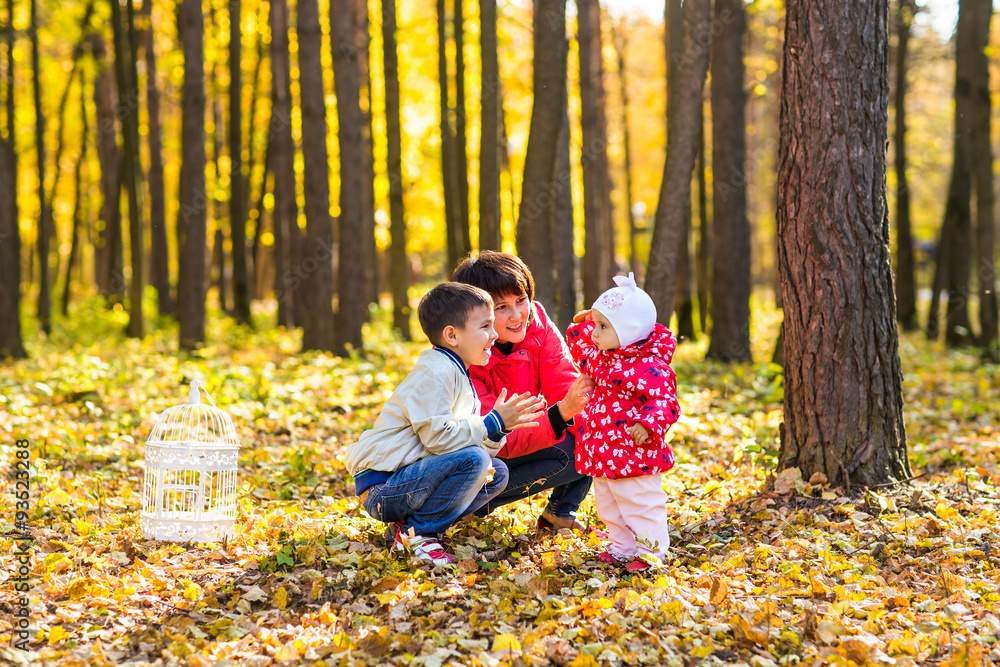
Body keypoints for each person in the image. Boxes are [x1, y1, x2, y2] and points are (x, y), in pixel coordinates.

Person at [345, 282, 545, 565]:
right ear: (451, 335)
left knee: (495, 472)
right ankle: (422, 535)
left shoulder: (457, 372)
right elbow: (438, 439)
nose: (493, 334)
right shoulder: (436, 372)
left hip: (410, 480)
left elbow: (466, 447)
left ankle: (408, 529)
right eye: (485, 326)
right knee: (476, 460)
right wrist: (490, 423)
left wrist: (499, 428)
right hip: (384, 487)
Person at [452, 251, 596, 531]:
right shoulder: (459, 355)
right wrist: (561, 414)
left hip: (523, 433)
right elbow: (490, 433)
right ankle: (460, 505)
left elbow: (563, 382)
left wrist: (594, 422)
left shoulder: (537, 323)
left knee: (589, 437)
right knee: (562, 455)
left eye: (521, 300)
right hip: (474, 454)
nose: (517, 315)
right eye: (501, 307)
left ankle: (560, 514)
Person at [565, 272, 680, 570]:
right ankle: (622, 545)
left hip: (634, 451)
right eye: (596, 325)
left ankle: (650, 551)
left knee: (640, 503)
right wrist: (585, 321)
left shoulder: (649, 366)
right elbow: (579, 347)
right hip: (602, 452)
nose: (594, 333)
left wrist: (648, 424)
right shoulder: (603, 355)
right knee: (609, 505)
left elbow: (665, 401)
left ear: (629, 330)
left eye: (602, 326)